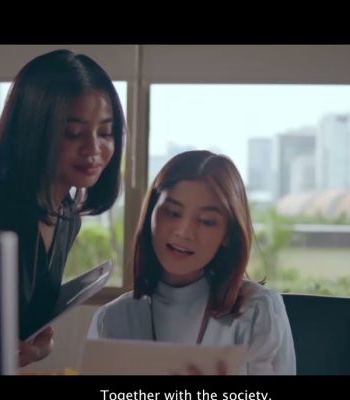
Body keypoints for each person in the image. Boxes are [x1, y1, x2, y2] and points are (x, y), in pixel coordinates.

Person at [0, 49, 125, 368]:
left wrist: (36, 347)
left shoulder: (66, 216)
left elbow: (15, 331)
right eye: (73, 133)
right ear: (34, 130)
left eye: (105, 132)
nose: (93, 148)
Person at [88, 150, 296, 375]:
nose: (185, 232)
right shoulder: (112, 319)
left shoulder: (257, 310)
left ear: (228, 234)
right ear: (151, 215)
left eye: (206, 221)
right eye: (173, 213)